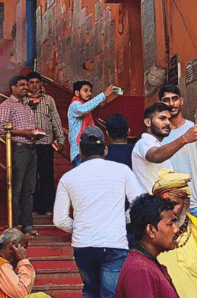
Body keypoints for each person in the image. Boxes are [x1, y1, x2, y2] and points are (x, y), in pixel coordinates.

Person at [53, 126, 143, 298]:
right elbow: (139, 206)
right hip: (114, 244)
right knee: (111, 294)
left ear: (80, 151)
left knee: (90, 291)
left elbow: (59, 220)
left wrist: (79, 226)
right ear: (106, 150)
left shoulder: (68, 177)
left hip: (83, 245)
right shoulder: (122, 171)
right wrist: (122, 219)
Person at [153, 168, 197, 298]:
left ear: (187, 204)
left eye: (174, 204)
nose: (169, 211)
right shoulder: (151, 235)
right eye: (164, 205)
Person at [0, 76, 43, 235]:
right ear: (13, 88)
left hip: (31, 148)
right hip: (18, 150)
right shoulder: (6, 105)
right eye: (21, 85)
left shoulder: (26, 106)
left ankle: (28, 225)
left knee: (29, 189)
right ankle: (13, 225)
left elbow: (29, 127)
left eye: (26, 85)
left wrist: (36, 133)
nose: (25, 87)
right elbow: (1, 129)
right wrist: (24, 133)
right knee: (16, 188)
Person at [159, 85, 197, 220]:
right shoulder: (158, 135)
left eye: (175, 99)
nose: (171, 104)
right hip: (167, 206)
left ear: (181, 100)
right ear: (160, 103)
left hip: (194, 206)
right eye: (166, 100)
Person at [132, 103, 197, 194]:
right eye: (162, 118)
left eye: (169, 119)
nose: (168, 123)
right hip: (150, 205)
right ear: (148, 122)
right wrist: (184, 138)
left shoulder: (157, 143)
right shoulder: (144, 142)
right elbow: (155, 155)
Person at [116, 193, 181, 298]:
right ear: (151, 230)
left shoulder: (145, 265)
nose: (176, 229)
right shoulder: (139, 270)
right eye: (170, 224)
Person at [25, 71, 65, 216]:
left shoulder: (48, 100)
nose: (34, 85)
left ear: (41, 84)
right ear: (27, 85)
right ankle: (35, 208)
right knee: (31, 177)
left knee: (47, 176)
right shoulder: (22, 100)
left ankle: (48, 208)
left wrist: (61, 138)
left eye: (37, 82)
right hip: (28, 144)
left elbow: (56, 119)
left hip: (46, 143)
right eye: (31, 82)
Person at [68, 80, 115, 166]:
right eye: (85, 91)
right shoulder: (74, 105)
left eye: (90, 91)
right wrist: (103, 95)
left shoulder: (86, 108)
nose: (89, 93)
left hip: (88, 151)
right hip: (78, 153)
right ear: (77, 93)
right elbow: (84, 109)